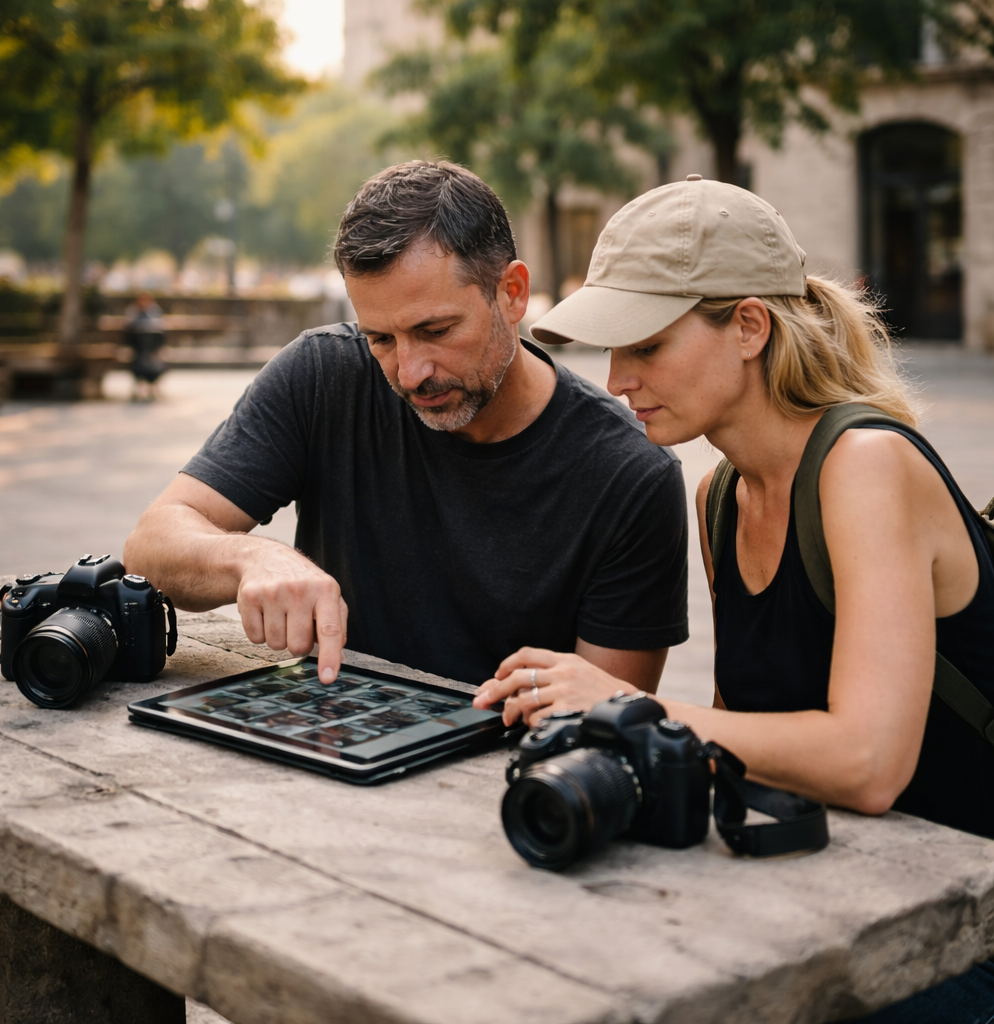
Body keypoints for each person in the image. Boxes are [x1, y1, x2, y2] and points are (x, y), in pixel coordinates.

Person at [473, 175, 994, 1022]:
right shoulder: (720, 494)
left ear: (749, 325)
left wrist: (633, 704)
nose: (615, 379)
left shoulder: (864, 466)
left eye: (645, 344)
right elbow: (752, 741)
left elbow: (868, 764)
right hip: (843, 895)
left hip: (958, 931)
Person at [124, 161, 689, 690]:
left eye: (437, 330)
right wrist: (252, 558)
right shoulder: (322, 375)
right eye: (381, 339)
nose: (411, 372)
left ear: (512, 294)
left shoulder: (630, 477)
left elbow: (604, 730)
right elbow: (150, 547)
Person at [123, 293, 167, 400]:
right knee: (139, 360)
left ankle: (149, 387)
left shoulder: (154, 311)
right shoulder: (133, 311)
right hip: (138, 347)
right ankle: (143, 387)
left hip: (151, 348)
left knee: (149, 361)